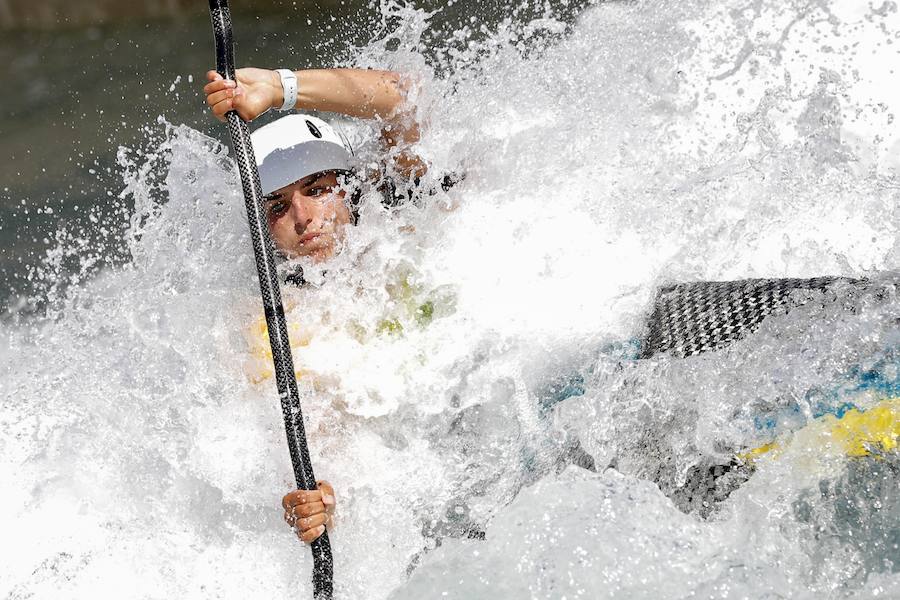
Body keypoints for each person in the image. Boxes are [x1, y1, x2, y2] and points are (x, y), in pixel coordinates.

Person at [203, 65, 435, 546]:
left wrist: (279, 88)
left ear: (351, 190)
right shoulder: (268, 321)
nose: (303, 217)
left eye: (316, 189)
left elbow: (405, 96)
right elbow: (322, 424)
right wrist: (325, 496)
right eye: (277, 207)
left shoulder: (407, 214)